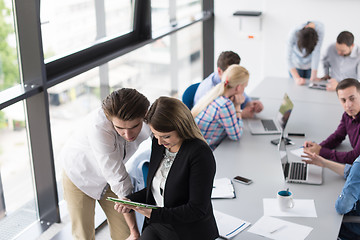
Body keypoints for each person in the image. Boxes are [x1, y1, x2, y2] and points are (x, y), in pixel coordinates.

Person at [114, 97, 219, 240]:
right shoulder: (159, 145)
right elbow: (159, 187)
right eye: (155, 135)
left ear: (181, 127)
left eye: (165, 136)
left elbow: (196, 209)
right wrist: (130, 200)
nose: (159, 141)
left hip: (189, 231)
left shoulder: (200, 154)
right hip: (160, 224)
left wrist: (153, 213)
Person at [60, 88, 152, 240]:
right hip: (79, 176)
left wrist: (133, 233)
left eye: (134, 126)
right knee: (83, 235)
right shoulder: (99, 127)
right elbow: (117, 176)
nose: (128, 135)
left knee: (124, 233)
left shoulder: (149, 116)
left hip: (109, 179)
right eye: (120, 128)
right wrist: (134, 231)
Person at [302, 150, 360, 240]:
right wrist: (324, 163)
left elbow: (343, 207)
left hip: (353, 229)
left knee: (313, 220)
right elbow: (352, 171)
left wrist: (345, 197)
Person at [192, 64, 249, 150]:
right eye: (244, 87)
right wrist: (238, 106)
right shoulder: (225, 105)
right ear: (238, 87)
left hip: (196, 147)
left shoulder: (215, 93)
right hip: (206, 151)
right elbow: (236, 135)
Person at [304, 78, 360, 164]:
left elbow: (354, 157)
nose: (348, 105)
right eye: (343, 100)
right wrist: (318, 147)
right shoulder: (347, 115)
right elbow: (338, 136)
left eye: (352, 99)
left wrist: (321, 151)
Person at [193, 51, 263, 118]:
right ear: (219, 71)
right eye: (229, 72)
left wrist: (251, 104)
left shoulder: (232, 83)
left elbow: (242, 99)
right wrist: (241, 114)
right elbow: (214, 116)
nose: (233, 75)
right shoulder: (209, 88)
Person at [287, 21, 324, 85]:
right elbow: (288, 58)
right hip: (296, 65)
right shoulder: (293, 33)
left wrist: (314, 76)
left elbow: (316, 52)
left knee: (309, 89)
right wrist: (296, 78)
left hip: (309, 66)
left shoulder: (320, 30)